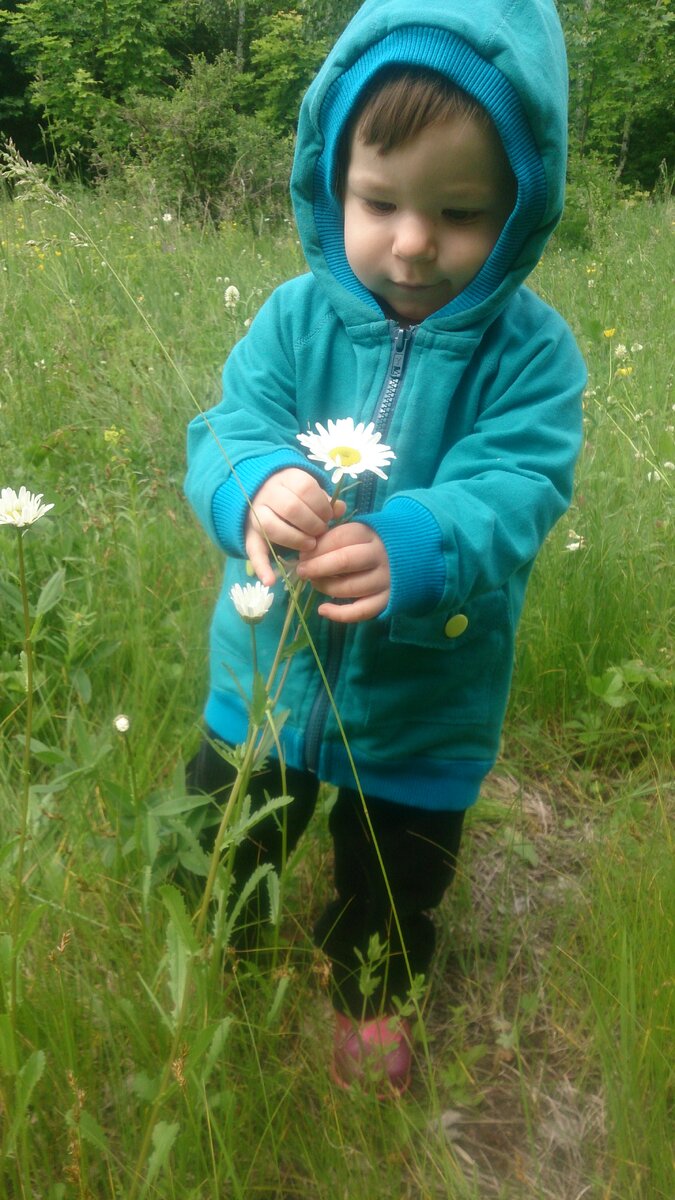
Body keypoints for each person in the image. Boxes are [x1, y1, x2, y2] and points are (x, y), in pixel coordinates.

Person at [184, 0, 586, 1094]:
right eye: (379, 201)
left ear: (519, 209)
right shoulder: (292, 320)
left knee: (395, 884)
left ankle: (371, 1002)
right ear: (331, 181)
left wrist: (418, 537)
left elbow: (520, 482)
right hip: (262, 682)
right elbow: (226, 429)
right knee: (217, 841)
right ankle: (221, 959)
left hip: (423, 703)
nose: (412, 242)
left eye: (461, 212)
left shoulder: (532, 357)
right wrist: (254, 484)